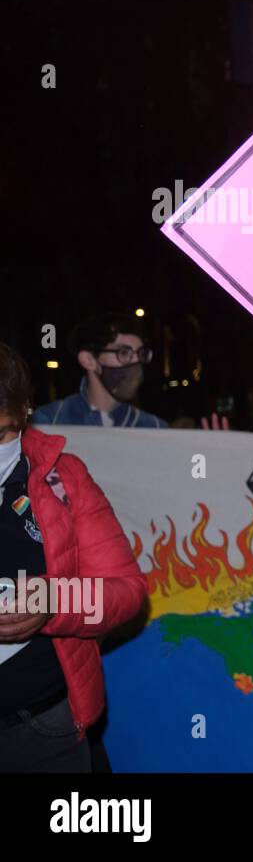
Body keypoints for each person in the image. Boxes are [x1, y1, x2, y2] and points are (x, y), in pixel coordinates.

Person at [0, 343, 147, 771]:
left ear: (26, 411)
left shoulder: (63, 477)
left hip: (41, 726)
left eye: (1, 433)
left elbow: (128, 590)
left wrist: (54, 601)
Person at [33, 313, 165, 428]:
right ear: (89, 360)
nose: (136, 362)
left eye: (141, 354)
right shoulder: (50, 421)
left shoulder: (154, 427)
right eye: (124, 353)